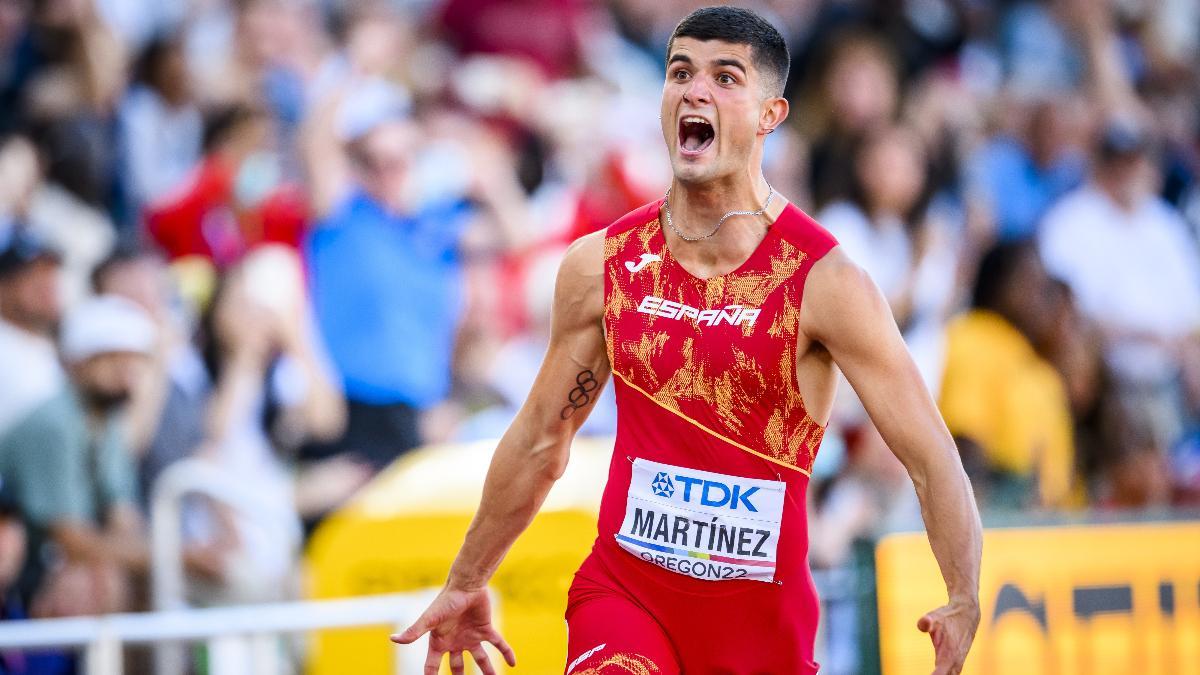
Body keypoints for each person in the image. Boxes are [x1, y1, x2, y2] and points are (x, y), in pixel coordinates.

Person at [393, 7, 981, 675]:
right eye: (680, 72)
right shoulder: (601, 265)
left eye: (725, 77)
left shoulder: (827, 282)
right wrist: (468, 577)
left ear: (770, 115)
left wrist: (963, 592)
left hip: (760, 630)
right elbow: (538, 438)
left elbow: (932, 456)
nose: (695, 90)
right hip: (625, 595)